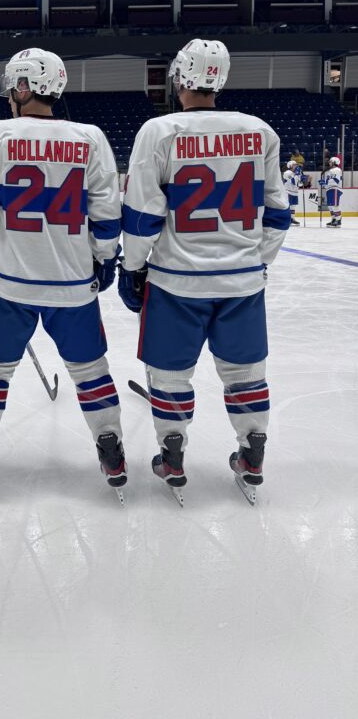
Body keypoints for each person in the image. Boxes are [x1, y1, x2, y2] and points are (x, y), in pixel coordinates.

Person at [118, 39, 290, 504]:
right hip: (241, 283)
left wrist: (133, 267)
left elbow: (141, 216)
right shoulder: (260, 131)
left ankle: (172, 452)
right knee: (245, 372)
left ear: (179, 78)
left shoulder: (160, 130)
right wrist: (257, 263)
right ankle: (252, 448)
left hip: (177, 282)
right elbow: (277, 214)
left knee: (171, 373)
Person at [0, 48, 125, 499]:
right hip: (73, 282)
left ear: (22, 86)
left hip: (8, 280)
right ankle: (109, 441)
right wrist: (103, 257)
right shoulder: (89, 137)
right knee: (91, 369)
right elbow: (107, 211)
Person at [322, 155, 343, 227]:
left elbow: (336, 180)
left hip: (335, 189)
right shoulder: (330, 171)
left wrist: (326, 182)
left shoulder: (337, 170)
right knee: (330, 206)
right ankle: (334, 219)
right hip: (330, 189)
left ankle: (338, 220)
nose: (329, 163)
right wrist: (324, 184)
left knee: (334, 205)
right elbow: (328, 182)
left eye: (331, 162)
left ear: (334, 162)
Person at [282, 160, 302, 226]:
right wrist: (297, 174)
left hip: (295, 192)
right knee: (288, 206)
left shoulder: (296, 173)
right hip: (288, 191)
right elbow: (293, 182)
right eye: (294, 165)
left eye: (296, 165)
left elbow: (299, 184)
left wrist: (303, 180)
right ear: (290, 166)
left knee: (293, 207)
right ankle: (287, 219)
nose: (295, 166)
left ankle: (292, 219)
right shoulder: (287, 173)